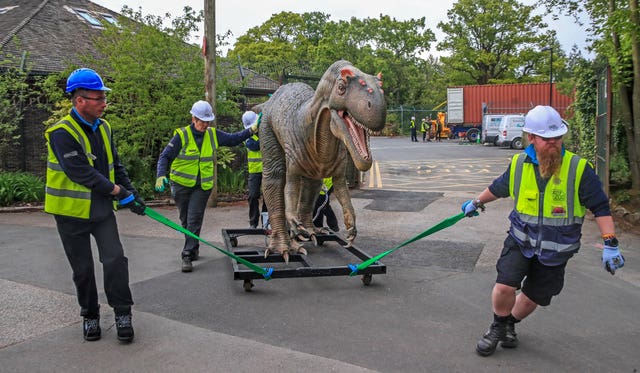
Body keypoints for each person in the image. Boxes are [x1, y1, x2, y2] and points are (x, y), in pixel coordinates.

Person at [461, 105, 626, 357]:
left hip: (556, 250)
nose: (554, 144)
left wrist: (610, 242)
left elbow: (601, 208)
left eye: (557, 138)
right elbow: (499, 187)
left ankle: (509, 325)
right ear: (532, 138)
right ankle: (496, 327)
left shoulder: (579, 168)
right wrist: (476, 202)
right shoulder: (518, 164)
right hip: (520, 240)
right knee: (504, 285)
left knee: (533, 296)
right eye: (547, 139)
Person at [44, 68, 144, 343]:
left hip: (100, 211)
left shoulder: (104, 127)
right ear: (80, 101)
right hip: (69, 213)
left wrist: (131, 193)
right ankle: (90, 316)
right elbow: (81, 172)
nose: (104, 103)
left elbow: (115, 165)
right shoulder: (60, 132)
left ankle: (123, 312)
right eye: (98, 98)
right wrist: (117, 191)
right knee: (83, 269)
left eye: (104, 98)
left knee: (114, 260)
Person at [155, 101, 258, 272]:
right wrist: (160, 175)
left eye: (207, 121)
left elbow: (233, 139)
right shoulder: (182, 135)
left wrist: (252, 130)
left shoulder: (212, 134)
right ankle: (193, 247)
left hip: (202, 186)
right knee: (185, 219)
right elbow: (165, 156)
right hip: (180, 185)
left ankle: (187, 254)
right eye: (201, 121)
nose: (204, 125)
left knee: (194, 218)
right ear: (193, 118)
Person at [243, 111, 267, 229]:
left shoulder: (265, 132)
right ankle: (253, 222)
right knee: (253, 196)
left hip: (268, 170)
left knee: (268, 197)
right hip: (255, 172)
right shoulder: (247, 136)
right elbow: (256, 146)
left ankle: (266, 222)